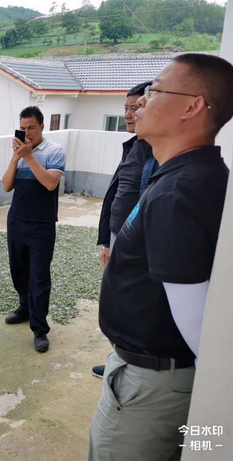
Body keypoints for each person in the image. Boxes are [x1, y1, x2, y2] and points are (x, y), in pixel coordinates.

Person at [88, 53, 233, 460]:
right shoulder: (184, 174)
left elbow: (199, 325)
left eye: (155, 90)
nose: (141, 101)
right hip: (151, 378)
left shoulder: (178, 192)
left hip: (151, 388)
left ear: (192, 107)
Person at [92, 80, 157, 379]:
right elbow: (118, 196)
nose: (130, 115)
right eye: (127, 108)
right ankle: (118, 359)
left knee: (128, 302)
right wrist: (108, 241)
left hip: (135, 241)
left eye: (137, 107)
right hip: (119, 235)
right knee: (115, 301)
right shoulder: (134, 146)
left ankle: (127, 365)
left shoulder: (157, 151)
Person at [2, 106, 66, 353]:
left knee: (39, 277)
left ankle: (40, 329)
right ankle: (25, 308)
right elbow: (6, 186)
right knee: (18, 270)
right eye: (23, 128)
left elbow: (50, 183)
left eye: (31, 127)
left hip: (41, 225)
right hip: (16, 221)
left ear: (42, 127)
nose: (27, 132)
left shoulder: (54, 151)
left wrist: (28, 156)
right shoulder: (19, 154)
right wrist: (16, 157)